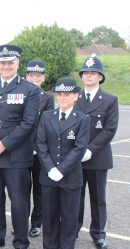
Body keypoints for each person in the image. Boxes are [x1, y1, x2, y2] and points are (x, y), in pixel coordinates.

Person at [0, 44, 40, 249]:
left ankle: (20, 241)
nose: (6, 66)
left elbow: (29, 123)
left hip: (16, 156)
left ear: (17, 63)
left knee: (19, 202)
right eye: (3, 63)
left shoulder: (30, 89)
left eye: (10, 62)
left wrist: (4, 144)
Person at [37, 77, 89, 249]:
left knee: (68, 219)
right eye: (60, 94)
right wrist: (50, 168)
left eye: (67, 94)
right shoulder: (46, 116)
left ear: (76, 96)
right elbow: (41, 143)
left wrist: (62, 170)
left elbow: (79, 148)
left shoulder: (82, 119)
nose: (63, 98)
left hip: (70, 177)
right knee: (50, 219)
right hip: (49, 176)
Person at [75, 54, 118, 249]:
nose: (89, 76)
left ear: (100, 77)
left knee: (98, 198)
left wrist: (90, 149)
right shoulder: (75, 97)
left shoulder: (110, 100)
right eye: (86, 73)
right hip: (75, 157)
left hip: (98, 157)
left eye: (93, 73)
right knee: (75, 196)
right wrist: (77, 150)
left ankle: (98, 233)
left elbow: (109, 129)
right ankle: (73, 228)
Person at [25, 60, 54, 238]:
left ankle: (36, 223)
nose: (34, 78)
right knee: (20, 190)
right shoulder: (19, 95)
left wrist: (37, 147)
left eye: (38, 75)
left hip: (38, 152)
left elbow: (47, 125)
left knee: (39, 189)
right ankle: (21, 221)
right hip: (20, 150)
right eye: (31, 75)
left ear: (43, 78)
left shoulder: (48, 98)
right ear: (26, 76)